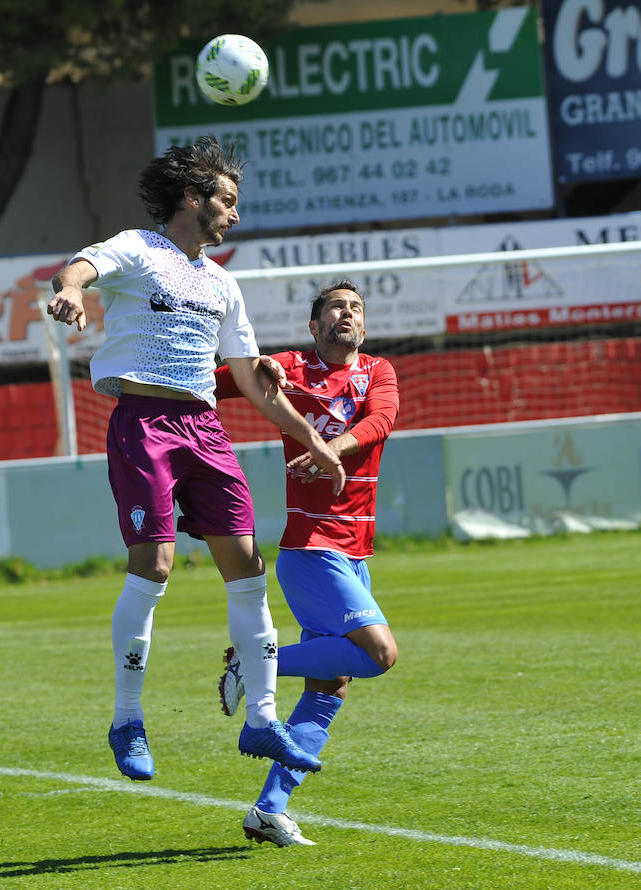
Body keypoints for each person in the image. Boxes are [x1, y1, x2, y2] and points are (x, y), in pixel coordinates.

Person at [46, 135, 346, 782]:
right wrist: (70, 291)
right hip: (143, 423)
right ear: (192, 198)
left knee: (247, 567)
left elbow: (248, 377)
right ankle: (127, 719)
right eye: (226, 201)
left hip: (204, 428)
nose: (234, 214)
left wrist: (315, 441)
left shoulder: (222, 283)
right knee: (153, 565)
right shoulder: (138, 248)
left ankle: (262, 720)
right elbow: (76, 269)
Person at [215, 279, 399, 846]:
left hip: (356, 553)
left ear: (362, 327)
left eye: (355, 308)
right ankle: (253, 662)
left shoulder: (379, 371)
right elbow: (220, 383)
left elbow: (378, 424)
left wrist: (327, 449)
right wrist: (244, 366)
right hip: (313, 548)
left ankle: (269, 809)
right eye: (334, 308)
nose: (346, 314)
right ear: (314, 326)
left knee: (332, 685)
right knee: (381, 654)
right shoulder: (289, 367)